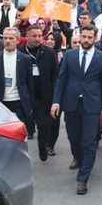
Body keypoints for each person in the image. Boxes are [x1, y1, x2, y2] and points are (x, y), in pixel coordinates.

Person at [51, 25, 102, 195]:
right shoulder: (69, 56)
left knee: (89, 142)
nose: (86, 40)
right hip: (71, 104)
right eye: (83, 36)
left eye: (90, 37)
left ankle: (83, 178)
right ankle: (78, 157)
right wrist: (56, 102)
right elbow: (61, 80)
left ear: (95, 38)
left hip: (92, 106)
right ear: (80, 36)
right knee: (74, 138)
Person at [22, 24, 60, 160]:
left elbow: (55, 76)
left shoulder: (49, 53)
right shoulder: (21, 52)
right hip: (27, 95)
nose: (38, 39)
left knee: (45, 125)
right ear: (27, 36)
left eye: (39, 36)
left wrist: (56, 96)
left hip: (45, 96)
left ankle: (43, 146)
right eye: (34, 36)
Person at [0, 27, 33, 125]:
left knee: (18, 135)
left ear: (17, 40)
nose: (7, 41)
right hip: (0, 103)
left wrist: (30, 105)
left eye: (11, 38)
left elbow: (30, 84)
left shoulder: (25, 59)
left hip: (19, 103)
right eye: (5, 38)